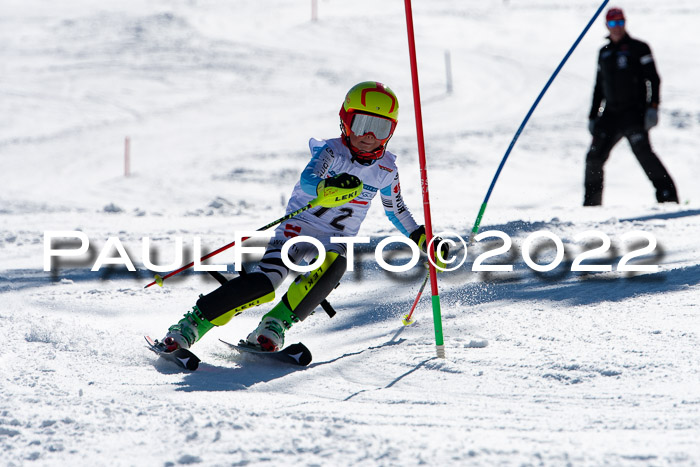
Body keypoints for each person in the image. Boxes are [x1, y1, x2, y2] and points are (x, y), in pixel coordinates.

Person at [157, 81, 446, 352]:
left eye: (380, 128)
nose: (369, 136)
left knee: (335, 265)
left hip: (334, 242)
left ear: (391, 131)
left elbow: (396, 210)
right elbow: (309, 179)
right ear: (346, 121)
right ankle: (191, 325)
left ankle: (274, 325)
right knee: (263, 285)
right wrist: (326, 187)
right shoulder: (331, 152)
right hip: (297, 231)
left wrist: (421, 238)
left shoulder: (386, 170)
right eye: (363, 124)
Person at [584, 7, 678, 206]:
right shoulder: (604, 53)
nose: (617, 27)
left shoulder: (639, 48)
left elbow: (653, 78)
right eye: (613, 23)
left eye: (620, 22)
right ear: (607, 25)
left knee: (644, 154)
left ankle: (668, 197)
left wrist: (653, 107)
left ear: (625, 23)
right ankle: (591, 206)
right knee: (593, 157)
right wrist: (593, 116)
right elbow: (599, 86)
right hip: (610, 114)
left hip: (633, 113)